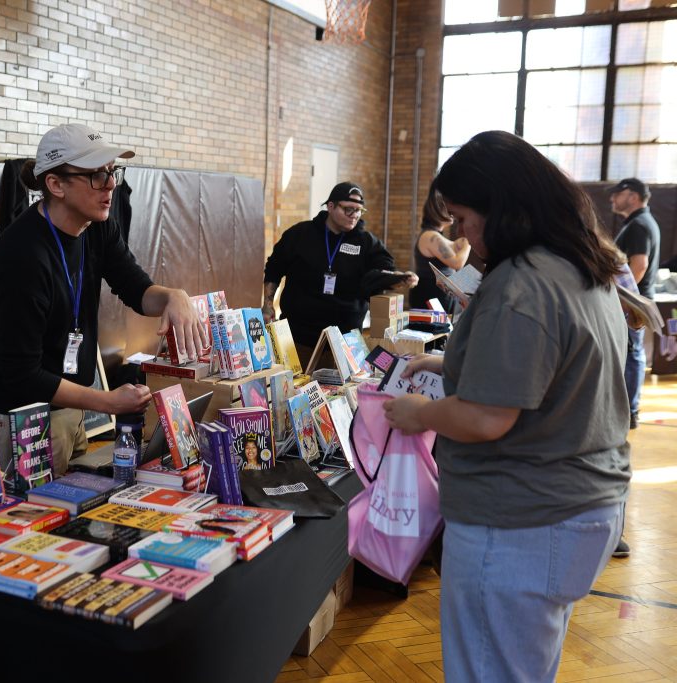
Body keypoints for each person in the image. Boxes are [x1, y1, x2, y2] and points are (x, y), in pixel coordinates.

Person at [383, 131, 629, 683]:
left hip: (521, 520)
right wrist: (449, 365)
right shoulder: (579, 264)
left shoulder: (522, 287)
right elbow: (551, 369)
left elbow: (485, 417)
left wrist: (417, 414)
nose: (463, 234)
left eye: (467, 218)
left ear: (505, 209)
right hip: (575, 507)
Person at [0, 123, 207, 477]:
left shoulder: (96, 226)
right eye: (97, 175)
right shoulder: (21, 257)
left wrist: (174, 297)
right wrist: (108, 401)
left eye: (113, 172)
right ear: (56, 185)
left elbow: (136, 289)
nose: (111, 184)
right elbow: (22, 376)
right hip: (23, 421)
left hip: (71, 409)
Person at [262, 182, 418, 357]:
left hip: (346, 341)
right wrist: (268, 306)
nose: (355, 215)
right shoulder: (300, 234)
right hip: (297, 337)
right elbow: (274, 268)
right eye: (349, 209)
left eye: (359, 210)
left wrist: (400, 277)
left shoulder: (366, 242)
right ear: (330, 206)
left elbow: (385, 270)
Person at [609, 177, 660, 430]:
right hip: (632, 303)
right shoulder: (638, 223)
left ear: (634, 196)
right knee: (631, 354)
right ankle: (629, 408)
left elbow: (638, 267)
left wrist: (623, 301)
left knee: (631, 354)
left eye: (619, 193)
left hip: (632, 304)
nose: (612, 198)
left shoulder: (639, 224)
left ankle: (630, 409)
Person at [409, 183, 471, 311]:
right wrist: (468, 241)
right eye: (448, 208)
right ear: (437, 211)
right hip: (431, 297)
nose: (452, 213)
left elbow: (454, 246)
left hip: (441, 297)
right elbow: (457, 263)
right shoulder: (431, 236)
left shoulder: (437, 236)